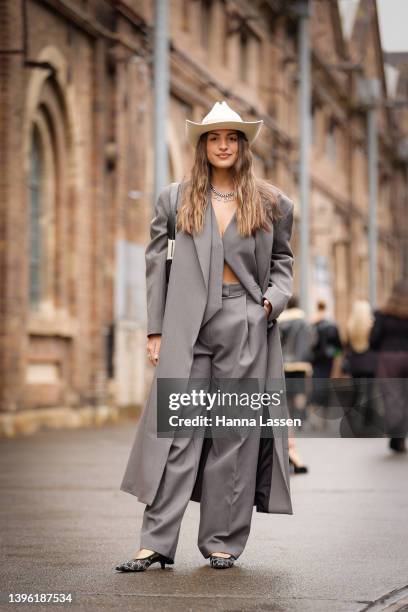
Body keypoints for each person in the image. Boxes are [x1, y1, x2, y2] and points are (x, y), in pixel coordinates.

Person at [115, 100, 295, 572]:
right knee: (176, 433)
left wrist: (270, 303)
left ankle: (222, 542)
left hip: (245, 321)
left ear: (242, 145)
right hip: (186, 325)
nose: (222, 145)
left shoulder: (272, 202)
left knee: (233, 435)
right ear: (202, 145)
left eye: (231, 137)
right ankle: (155, 543)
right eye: (213, 138)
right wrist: (155, 328)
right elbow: (157, 267)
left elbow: (283, 264)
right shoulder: (174, 199)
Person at [369, 279, 408, 453]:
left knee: (392, 398)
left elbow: (373, 340)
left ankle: (396, 436)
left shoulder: (382, 314)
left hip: (389, 358)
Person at [278, 295, 315, 473]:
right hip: (300, 363)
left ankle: (290, 417)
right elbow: (310, 343)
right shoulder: (303, 321)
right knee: (299, 393)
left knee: (284, 395)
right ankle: (299, 417)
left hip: (283, 363)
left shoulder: (281, 321)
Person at [340, 300, 379, 437]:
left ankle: (350, 421)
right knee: (370, 394)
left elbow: (345, 346)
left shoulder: (350, 326)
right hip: (371, 364)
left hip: (355, 364)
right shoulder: (372, 326)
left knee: (355, 393)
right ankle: (369, 424)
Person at [310, 300, 342, 417]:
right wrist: (335, 355)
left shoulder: (313, 322)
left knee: (317, 382)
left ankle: (315, 409)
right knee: (326, 381)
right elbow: (338, 346)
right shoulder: (331, 323)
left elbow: (311, 343)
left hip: (316, 358)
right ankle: (324, 409)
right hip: (328, 358)